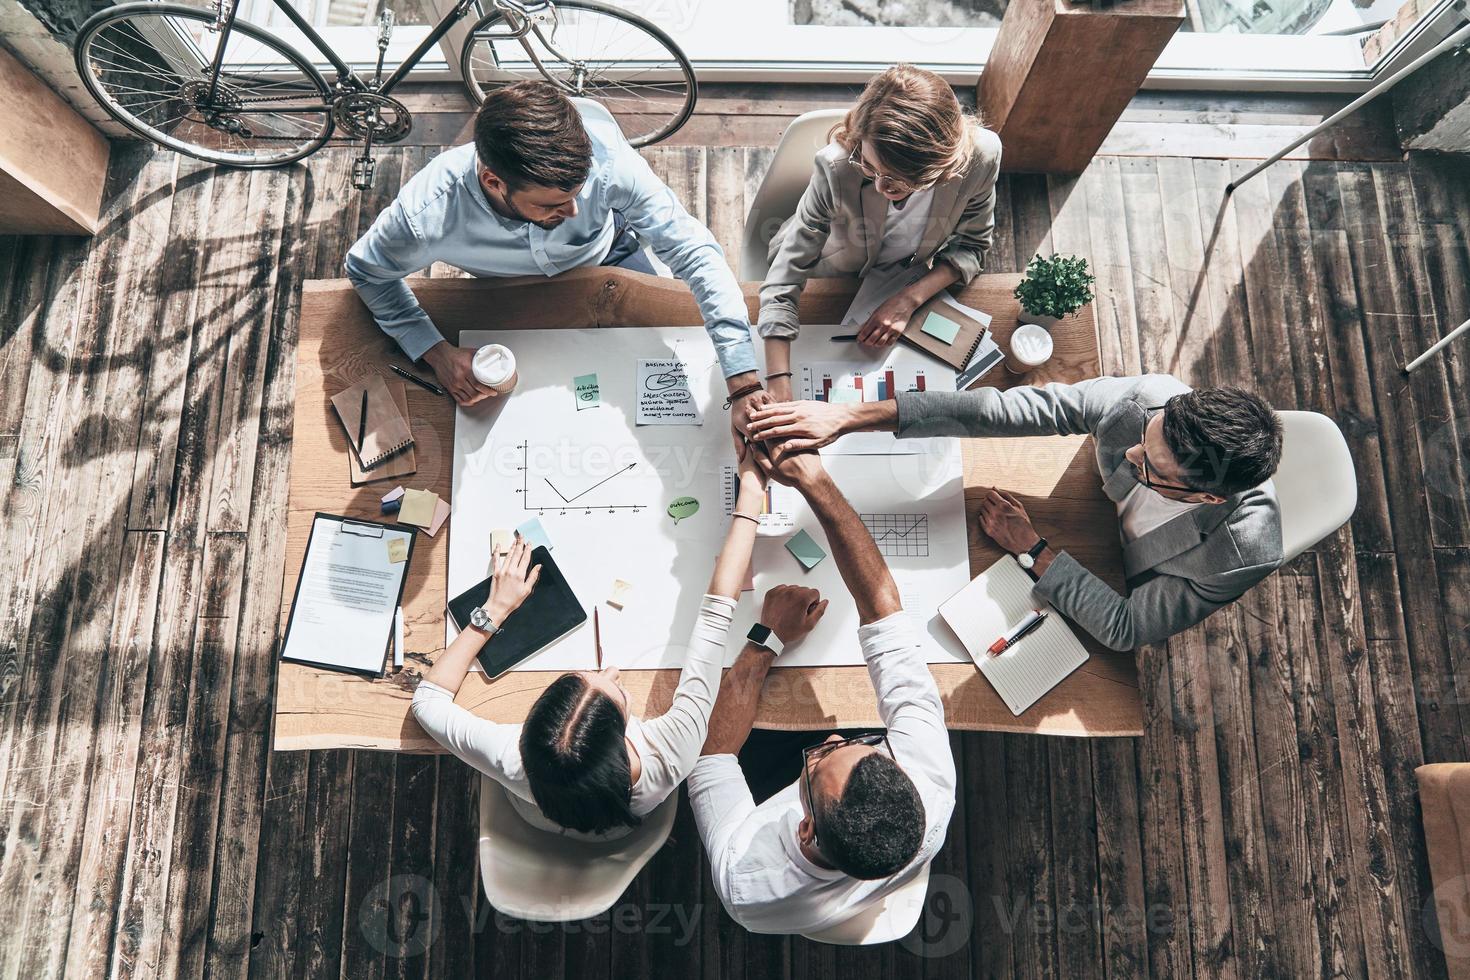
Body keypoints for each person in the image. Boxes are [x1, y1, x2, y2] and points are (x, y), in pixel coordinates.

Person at [411, 450, 816, 836]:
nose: (612, 669)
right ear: (620, 740)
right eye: (617, 691)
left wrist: (492, 612)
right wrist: (750, 493)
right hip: (621, 818)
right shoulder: (673, 751)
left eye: (589, 674)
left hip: (552, 812)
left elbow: (427, 703)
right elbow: (716, 613)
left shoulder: (517, 757)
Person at [345, 81, 770, 438]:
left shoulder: (609, 160)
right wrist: (436, 353)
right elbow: (367, 272)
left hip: (613, 259)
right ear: (495, 182)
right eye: (554, 203)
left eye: (577, 194)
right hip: (507, 293)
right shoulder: (426, 214)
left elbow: (695, 252)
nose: (573, 212)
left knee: (660, 387)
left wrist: (743, 379)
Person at [745, 374, 1285, 651]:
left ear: (1208, 498)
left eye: (1148, 466)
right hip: (1078, 503)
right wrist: (849, 414)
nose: (1129, 455)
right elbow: (1009, 409)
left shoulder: (1241, 554)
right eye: (1143, 440)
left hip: (1102, 566)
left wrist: (1033, 549)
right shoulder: (1149, 400)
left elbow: (1125, 626)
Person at [687, 448, 955, 935]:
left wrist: (766, 637)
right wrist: (814, 480)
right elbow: (884, 612)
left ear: (803, 826)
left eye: (821, 763)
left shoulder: (745, 876)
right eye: (859, 750)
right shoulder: (930, 786)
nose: (833, 741)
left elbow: (712, 756)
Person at [758, 64, 1002, 399]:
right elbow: (786, 275)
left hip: (899, 280)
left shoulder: (983, 157)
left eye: (902, 181)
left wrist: (908, 299)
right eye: (871, 168)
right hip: (828, 276)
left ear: (943, 163)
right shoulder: (837, 167)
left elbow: (973, 246)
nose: (882, 186)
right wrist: (778, 380)